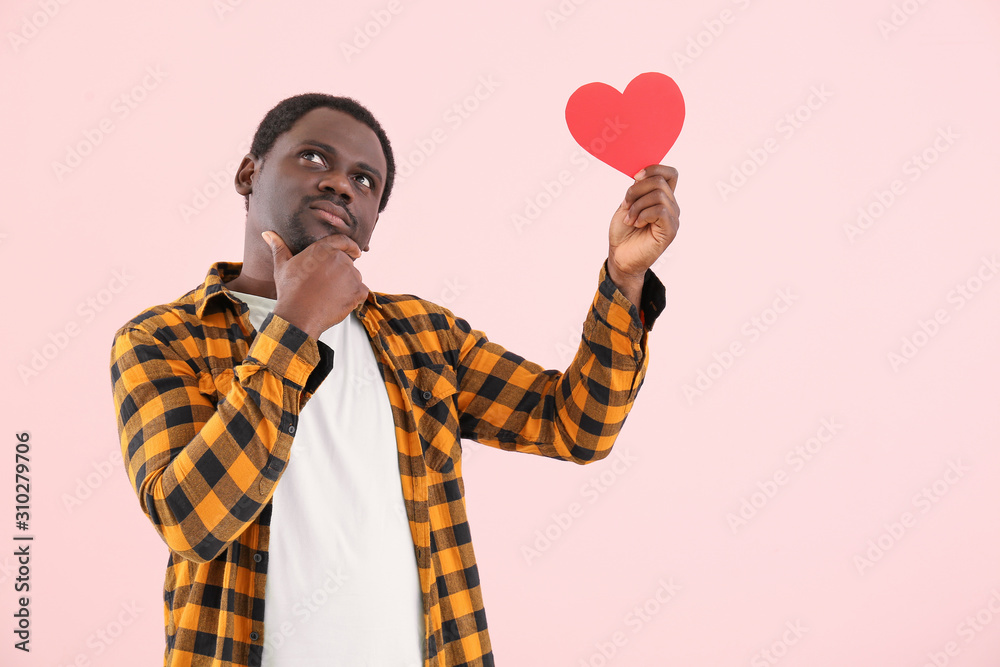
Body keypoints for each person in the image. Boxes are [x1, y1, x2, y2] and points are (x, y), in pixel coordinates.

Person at [109, 92, 676, 667]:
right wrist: (295, 323)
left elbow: (576, 427)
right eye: (312, 158)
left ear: (374, 220)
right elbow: (191, 521)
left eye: (365, 180)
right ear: (248, 174)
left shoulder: (424, 335)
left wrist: (624, 278)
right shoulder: (162, 338)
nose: (339, 184)